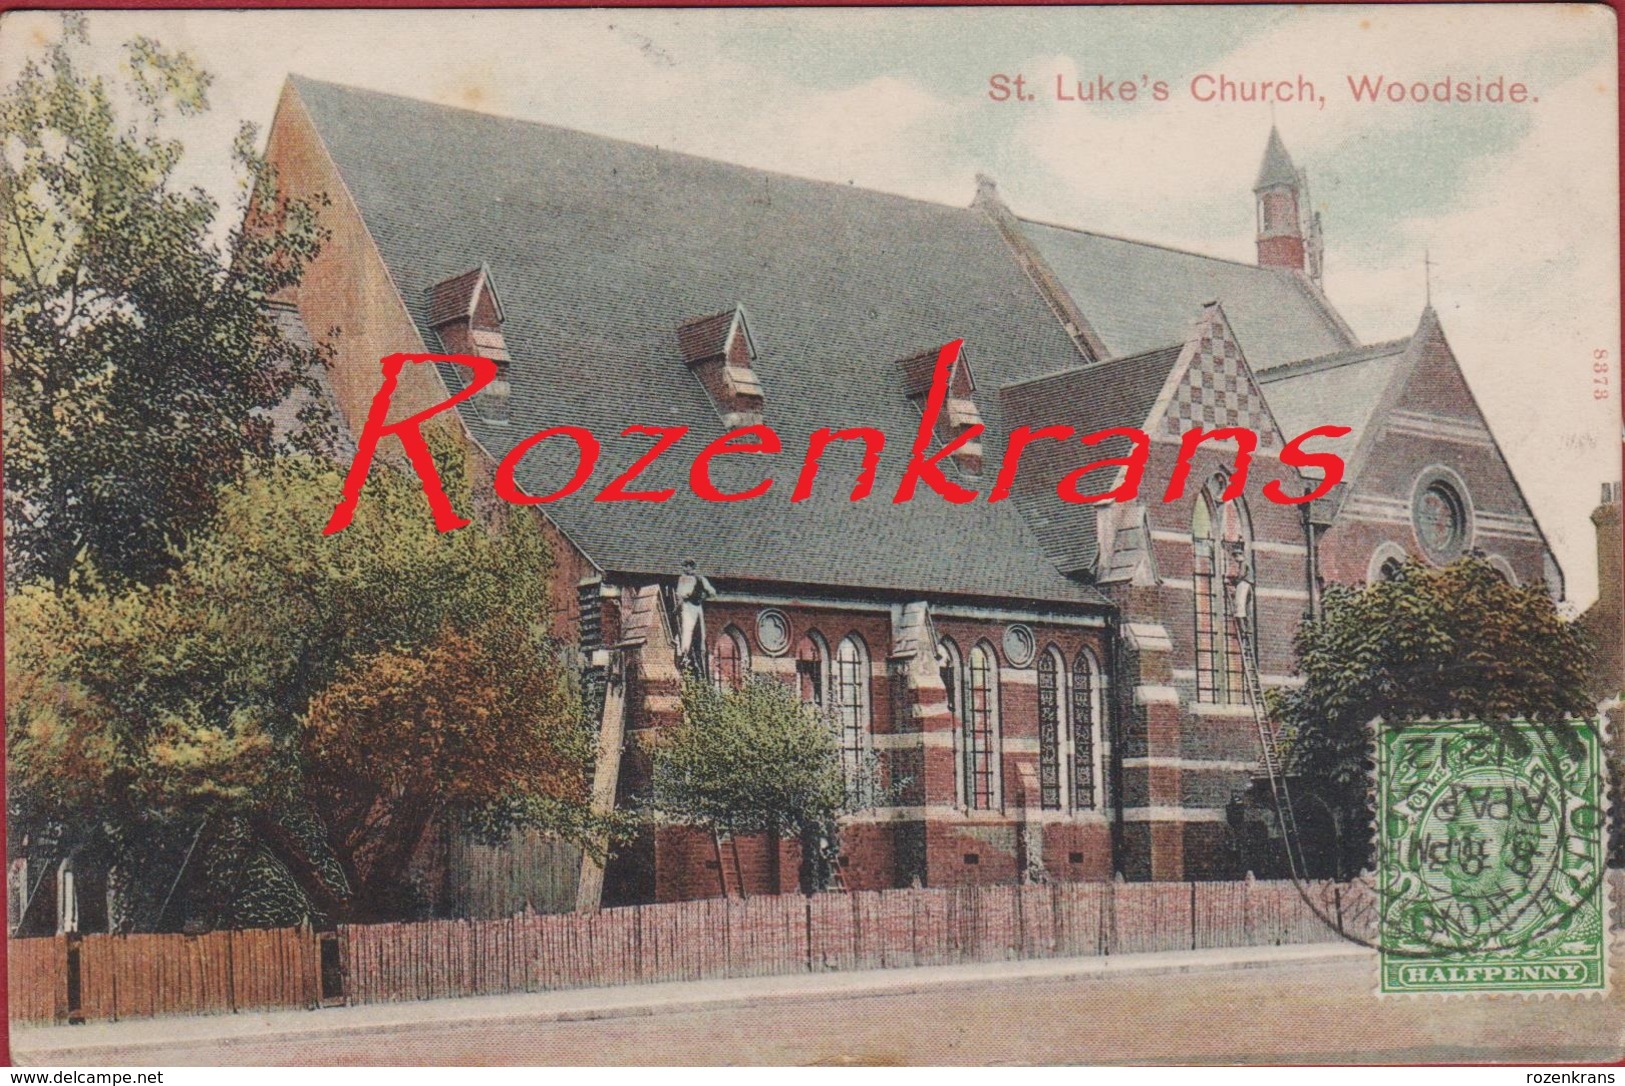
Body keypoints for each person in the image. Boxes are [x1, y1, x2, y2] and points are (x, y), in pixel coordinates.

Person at [675, 559, 716, 672]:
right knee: (688, 630)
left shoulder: (696, 579)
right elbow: (680, 594)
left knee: (690, 630)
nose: (684, 569)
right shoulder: (686, 579)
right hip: (692, 606)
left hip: (692, 606)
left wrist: (703, 596)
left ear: (690, 567)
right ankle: (685, 653)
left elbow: (712, 592)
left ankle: (687, 653)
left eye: (686, 566)